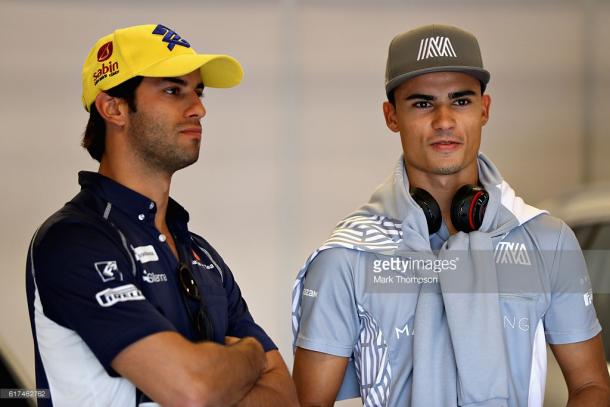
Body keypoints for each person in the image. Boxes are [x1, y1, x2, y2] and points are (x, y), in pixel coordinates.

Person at [291, 24, 610, 406]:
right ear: (391, 116)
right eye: (422, 103)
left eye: (460, 101)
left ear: (484, 109)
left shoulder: (546, 240)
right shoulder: (347, 257)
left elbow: (591, 386)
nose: (444, 120)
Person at [26, 24, 298, 407]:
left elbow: (283, 397)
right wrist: (251, 355)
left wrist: (212, 372)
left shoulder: (201, 253)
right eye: (174, 90)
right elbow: (191, 389)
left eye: (198, 92)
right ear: (114, 107)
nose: (199, 108)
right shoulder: (74, 239)